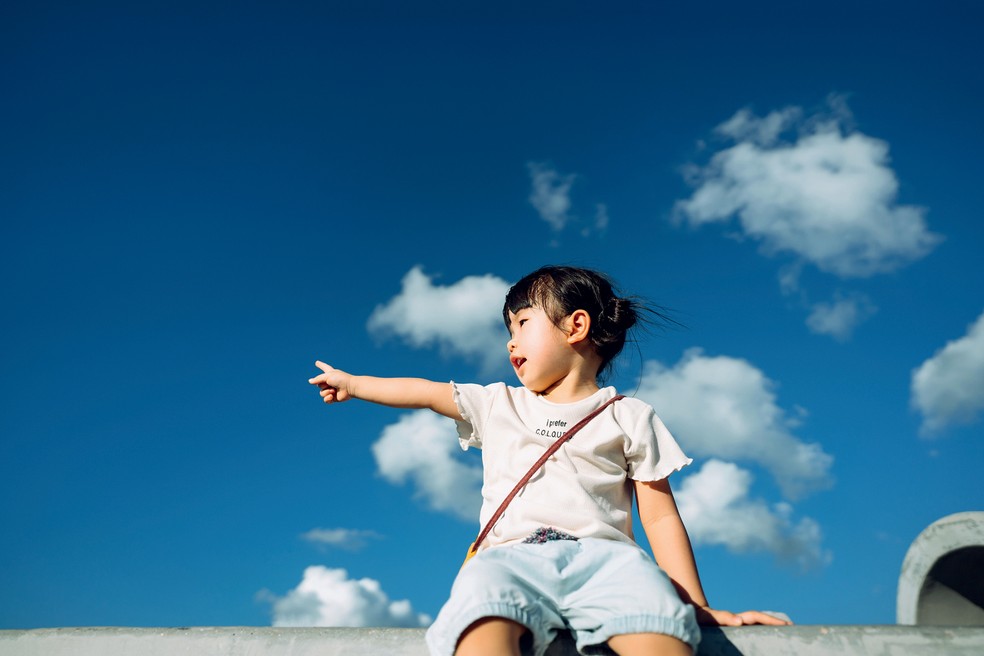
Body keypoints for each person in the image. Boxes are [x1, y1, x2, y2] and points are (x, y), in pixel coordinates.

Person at [309, 265, 790, 656]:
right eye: (509, 330)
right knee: (481, 619)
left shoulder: (628, 416)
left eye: (522, 323)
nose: (510, 341)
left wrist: (695, 607)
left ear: (575, 326)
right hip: (510, 554)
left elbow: (660, 516)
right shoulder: (499, 403)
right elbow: (427, 392)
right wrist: (356, 384)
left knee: (660, 629)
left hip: (609, 560)